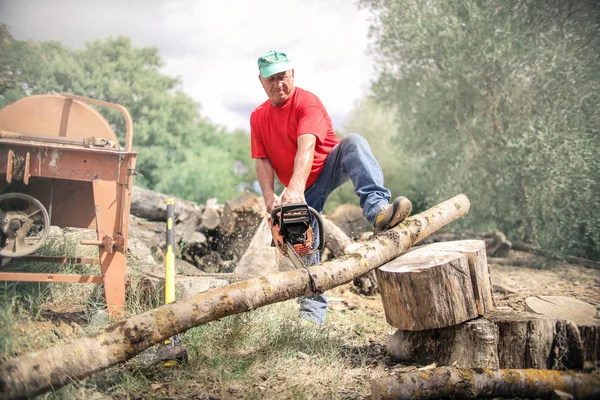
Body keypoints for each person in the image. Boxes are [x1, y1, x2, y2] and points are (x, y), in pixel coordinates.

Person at [250, 50, 412, 326]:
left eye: (283, 77)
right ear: (261, 82)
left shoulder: (307, 103)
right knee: (301, 241)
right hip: (299, 189)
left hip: (326, 168)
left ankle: (378, 211)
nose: (279, 84)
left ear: (293, 74)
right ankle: (311, 319)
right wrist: (269, 196)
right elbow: (262, 160)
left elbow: (307, 145)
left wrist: (295, 188)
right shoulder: (258, 117)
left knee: (354, 143)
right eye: (272, 79)